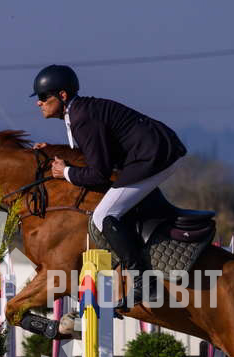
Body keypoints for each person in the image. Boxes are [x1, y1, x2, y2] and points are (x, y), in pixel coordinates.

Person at [30, 64, 186, 309]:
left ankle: (144, 281)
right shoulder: (78, 112)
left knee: (104, 215)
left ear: (62, 95)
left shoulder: (82, 117)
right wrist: (52, 151)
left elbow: (99, 174)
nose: (38, 102)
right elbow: (89, 153)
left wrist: (65, 172)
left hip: (155, 156)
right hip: (155, 151)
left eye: (43, 96)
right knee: (117, 206)